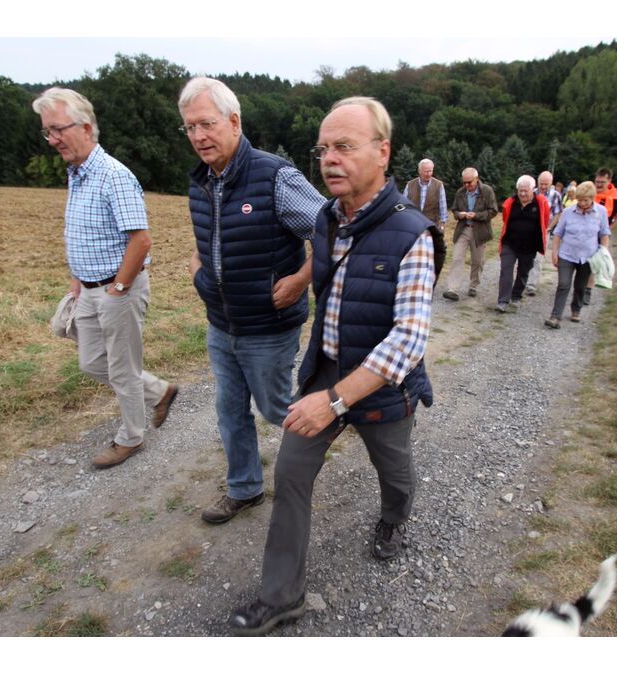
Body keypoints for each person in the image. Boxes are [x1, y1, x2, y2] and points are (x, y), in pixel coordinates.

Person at [229, 96, 435, 635]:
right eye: (323, 149)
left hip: (381, 386)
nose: (329, 159)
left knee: (395, 474)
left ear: (382, 152)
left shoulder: (413, 233)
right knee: (291, 472)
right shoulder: (324, 217)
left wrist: (337, 400)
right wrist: (298, 281)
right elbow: (323, 266)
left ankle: (393, 519)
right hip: (324, 370)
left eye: (344, 146)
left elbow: (409, 339)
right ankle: (282, 597)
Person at [178, 77, 326, 525]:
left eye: (206, 123)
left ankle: (326, 428)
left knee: (278, 408)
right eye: (190, 127)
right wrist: (199, 272)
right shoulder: (201, 181)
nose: (198, 135)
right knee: (229, 409)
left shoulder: (275, 176)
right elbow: (208, 241)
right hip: (222, 325)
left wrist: (300, 280)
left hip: (268, 326)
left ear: (234, 121)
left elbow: (332, 231)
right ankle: (245, 488)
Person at [32, 87, 178, 469]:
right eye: (47, 132)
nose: (53, 139)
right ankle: (159, 391)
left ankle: (131, 438)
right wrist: (76, 281)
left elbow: (141, 240)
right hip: (88, 288)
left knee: (122, 370)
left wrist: (118, 289)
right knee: (91, 362)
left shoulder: (114, 175)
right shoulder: (77, 174)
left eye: (58, 129)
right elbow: (81, 233)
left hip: (119, 288)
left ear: (85, 127)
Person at [545, 181, 611, 328]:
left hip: (588, 256)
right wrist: (554, 252)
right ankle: (555, 316)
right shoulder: (568, 212)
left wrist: (604, 252)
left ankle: (576, 309)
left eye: (585, 200)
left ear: (592, 198)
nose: (582, 203)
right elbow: (558, 233)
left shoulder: (601, 212)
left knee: (581, 286)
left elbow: (604, 234)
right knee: (563, 284)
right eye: (579, 200)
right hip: (567, 254)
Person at [496, 175, 550, 313]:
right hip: (510, 243)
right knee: (506, 269)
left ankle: (516, 296)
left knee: (523, 272)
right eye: (520, 190)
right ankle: (503, 300)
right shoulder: (510, 202)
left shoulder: (541, 203)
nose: (523, 193)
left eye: (526, 191)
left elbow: (544, 222)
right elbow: (505, 219)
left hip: (530, 246)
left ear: (533, 190)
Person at [443, 167, 498, 300]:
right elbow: (454, 210)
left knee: (477, 261)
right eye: (464, 182)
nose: (467, 185)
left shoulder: (487, 191)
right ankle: (453, 289)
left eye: (469, 182)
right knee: (456, 258)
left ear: (476, 179)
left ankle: (473, 286)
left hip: (480, 231)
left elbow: (493, 211)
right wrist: (459, 214)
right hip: (463, 230)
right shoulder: (460, 192)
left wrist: (476, 215)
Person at [584, 167, 617, 305]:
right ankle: (579, 286)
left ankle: (587, 290)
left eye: (602, 182)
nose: (599, 185)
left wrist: (607, 230)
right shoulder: (589, 192)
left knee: (594, 262)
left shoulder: (614, 197)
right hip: (584, 232)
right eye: (597, 181)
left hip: (600, 235)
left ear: (609, 181)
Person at [403, 158, 448, 284]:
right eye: (426, 171)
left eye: (431, 171)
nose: (429, 174)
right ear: (419, 171)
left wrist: (442, 226)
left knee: (430, 256)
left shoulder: (438, 185)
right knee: (413, 254)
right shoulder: (410, 185)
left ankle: (428, 281)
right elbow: (404, 205)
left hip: (431, 227)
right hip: (413, 226)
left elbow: (443, 207)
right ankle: (412, 280)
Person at [525, 170, 563, 296]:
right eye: (541, 183)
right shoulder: (532, 193)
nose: (543, 186)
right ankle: (523, 279)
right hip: (529, 231)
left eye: (546, 184)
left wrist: (549, 228)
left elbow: (558, 214)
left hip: (544, 231)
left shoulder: (556, 195)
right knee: (526, 256)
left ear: (551, 183)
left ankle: (531, 284)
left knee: (538, 258)